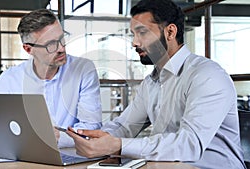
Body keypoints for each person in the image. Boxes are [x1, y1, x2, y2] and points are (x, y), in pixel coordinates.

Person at [66, 0, 247, 168]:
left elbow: (189, 145)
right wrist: (92, 139)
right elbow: (124, 126)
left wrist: (118, 145)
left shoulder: (207, 75)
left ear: (170, 32)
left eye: (143, 32)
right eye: (133, 34)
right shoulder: (151, 83)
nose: (134, 42)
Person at [0, 9, 102, 149]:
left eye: (62, 39)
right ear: (28, 49)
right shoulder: (10, 79)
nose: (61, 48)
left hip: (69, 157)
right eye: (51, 45)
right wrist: (29, 139)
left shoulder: (83, 70)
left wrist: (57, 139)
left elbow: (91, 129)